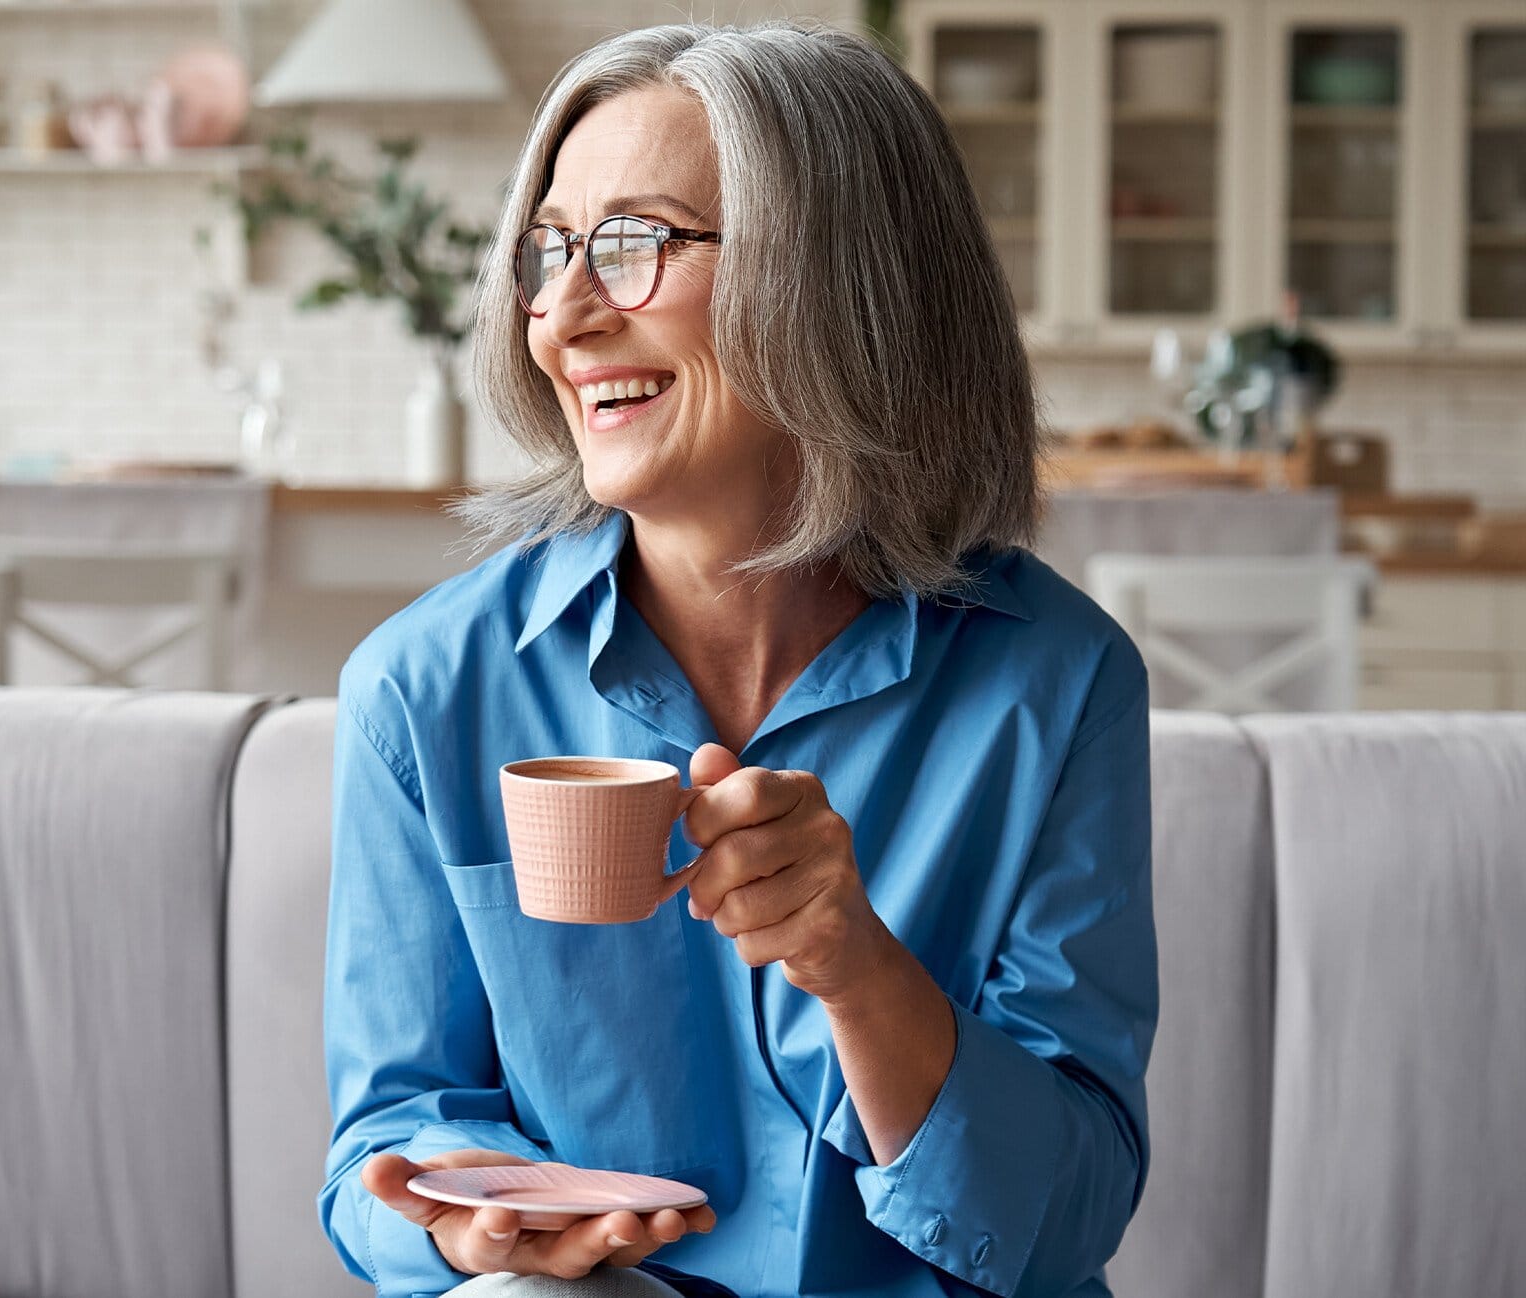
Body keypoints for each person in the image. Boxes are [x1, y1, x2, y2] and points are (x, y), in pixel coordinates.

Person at [319, 20, 1156, 1298]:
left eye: (637, 243)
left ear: (839, 280)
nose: (563, 316)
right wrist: (462, 1215)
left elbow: (1066, 1217)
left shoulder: (1054, 683)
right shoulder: (424, 692)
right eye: (550, 252)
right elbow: (388, 1136)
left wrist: (854, 962)